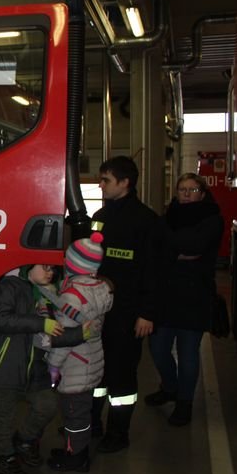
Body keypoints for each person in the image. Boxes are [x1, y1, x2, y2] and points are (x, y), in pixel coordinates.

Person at [0, 263, 90, 474]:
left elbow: (51, 335)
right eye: (44, 267)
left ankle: (24, 440)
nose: (50, 272)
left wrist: (81, 334)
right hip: (7, 364)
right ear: (28, 267)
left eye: (53, 268)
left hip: (35, 366)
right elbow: (0, 319)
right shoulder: (10, 286)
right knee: (5, 415)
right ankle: (5, 457)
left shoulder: (46, 294)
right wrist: (40, 323)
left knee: (47, 404)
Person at [91, 155, 165, 453]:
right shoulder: (101, 216)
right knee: (96, 370)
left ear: (125, 183)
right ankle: (91, 422)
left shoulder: (147, 221)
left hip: (128, 313)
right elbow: (91, 256)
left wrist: (147, 313)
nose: (101, 184)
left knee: (121, 375)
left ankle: (118, 434)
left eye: (106, 180)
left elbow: (155, 273)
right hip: (98, 311)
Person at [146, 173, 223, 426]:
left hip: (195, 296)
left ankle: (184, 402)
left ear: (202, 192)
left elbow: (193, 246)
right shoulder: (167, 218)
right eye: (182, 189)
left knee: (188, 352)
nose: (187, 194)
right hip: (166, 295)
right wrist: (176, 252)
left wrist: (173, 249)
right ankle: (169, 387)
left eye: (192, 189)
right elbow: (156, 251)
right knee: (157, 349)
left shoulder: (213, 219)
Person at [45, 233, 114, 472]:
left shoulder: (72, 297)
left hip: (75, 365)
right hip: (92, 358)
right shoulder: (101, 288)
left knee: (74, 416)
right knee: (81, 413)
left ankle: (76, 457)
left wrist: (53, 367)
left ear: (72, 264)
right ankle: (74, 449)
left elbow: (64, 340)